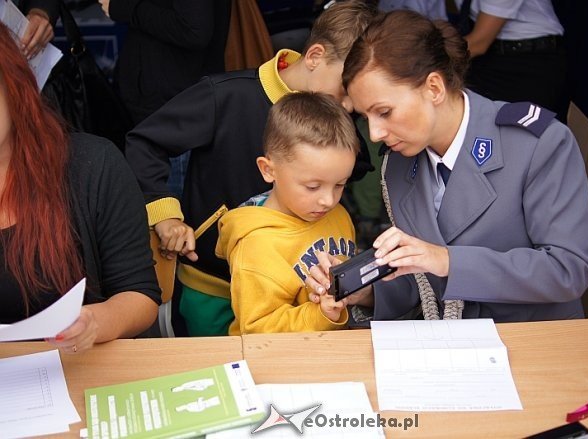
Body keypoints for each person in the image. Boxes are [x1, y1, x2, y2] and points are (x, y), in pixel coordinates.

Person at [307, 10, 588, 324]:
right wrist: (364, 290)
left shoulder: (537, 144)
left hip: (537, 343)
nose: (375, 133)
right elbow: (424, 282)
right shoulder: (399, 166)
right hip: (450, 349)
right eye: (366, 118)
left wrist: (448, 261)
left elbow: (569, 269)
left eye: (385, 112)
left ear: (434, 88)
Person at [124, 0, 379, 337]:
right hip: (212, 285)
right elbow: (146, 142)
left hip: (300, 291)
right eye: (346, 91)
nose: (351, 107)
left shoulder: (345, 117)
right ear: (315, 57)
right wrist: (166, 214)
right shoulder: (226, 96)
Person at [0, 23, 160, 353]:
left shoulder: (91, 165)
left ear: (15, 88)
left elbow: (139, 295)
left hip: (81, 366)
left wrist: (94, 322)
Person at [216, 92, 359, 335]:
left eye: (340, 184)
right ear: (268, 170)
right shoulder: (255, 244)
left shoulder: (338, 215)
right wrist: (320, 315)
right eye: (312, 187)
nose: (328, 200)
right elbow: (258, 328)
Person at [98, 0, 232, 194]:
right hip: (167, 106)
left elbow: (195, 30)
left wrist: (124, 8)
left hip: (176, 110)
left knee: (172, 215)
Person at [459, 0, 569, 121]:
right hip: (488, 58)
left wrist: (437, 60)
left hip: (527, 64)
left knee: (521, 134)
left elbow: (479, 43)